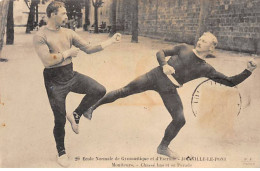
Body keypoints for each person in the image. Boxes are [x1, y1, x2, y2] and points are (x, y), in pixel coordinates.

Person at [83, 32, 257, 159]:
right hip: (155, 75)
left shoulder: (206, 68)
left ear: (211, 47)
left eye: (204, 41)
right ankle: (91, 107)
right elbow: (160, 52)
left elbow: (229, 82)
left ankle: (163, 147)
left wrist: (248, 70)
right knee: (124, 91)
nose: (199, 41)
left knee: (180, 119)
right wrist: (164, 64)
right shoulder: (183, 48)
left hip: (169, 89)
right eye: (200, 38)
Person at [33, 1, 121, 167]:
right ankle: (62, 152)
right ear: (53, 14)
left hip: (70, 74)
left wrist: (111, 41)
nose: (67, 16)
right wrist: (67, 53)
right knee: (59, 119)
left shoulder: (68, 33)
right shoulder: (40, 35)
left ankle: (76, 114)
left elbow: (88, 48)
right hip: (53, 81)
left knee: (99, 89)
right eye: (63, 13)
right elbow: (46, 60)